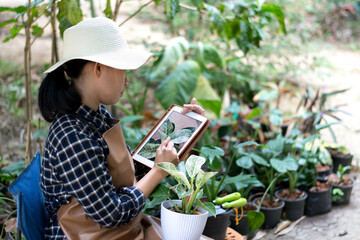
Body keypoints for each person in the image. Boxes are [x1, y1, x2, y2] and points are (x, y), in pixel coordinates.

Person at [38, 17, 205, 240]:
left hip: (117, 232)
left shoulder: (95, 116)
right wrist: (158, 171)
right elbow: (111, 214)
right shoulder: (72, 135)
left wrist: (185, 131)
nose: (126, 81)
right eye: (122, 70)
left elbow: (128, 175)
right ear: (98, 69)